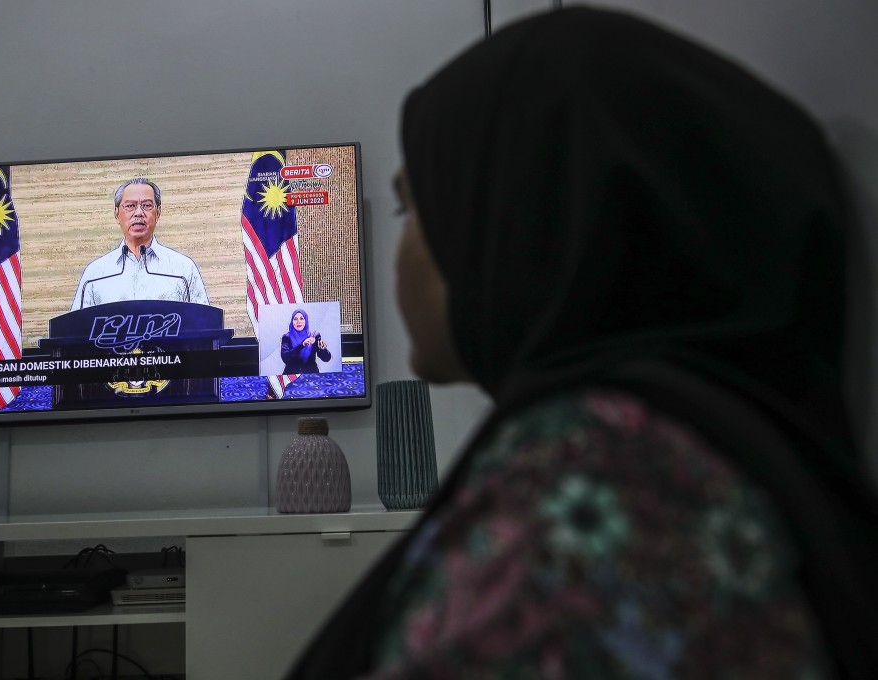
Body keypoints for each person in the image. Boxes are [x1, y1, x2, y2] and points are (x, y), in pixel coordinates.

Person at [284, 7, 878, 680]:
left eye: (413, 210)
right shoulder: (669, 445)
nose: (401, 255)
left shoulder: (586, 498)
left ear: (515, 222)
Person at [70, 177, 209, 310]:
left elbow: (205, 324)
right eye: (130, 206)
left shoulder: (183, 269)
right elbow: (75, 330)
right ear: (117, 214)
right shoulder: (95, 273)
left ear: (158, 213)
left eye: (147, 206)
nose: (138, 213)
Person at [280, 308, 331, 373]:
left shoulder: (314, 336)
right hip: (292, 376)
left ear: (306, 321)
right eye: (295, 319)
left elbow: (326, 359)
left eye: (301, 318)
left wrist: (323, 349)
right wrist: (302, 345)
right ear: (292, 322)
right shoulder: (287, 337)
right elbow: (285, 358)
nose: (298, 321)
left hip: (311, 376)